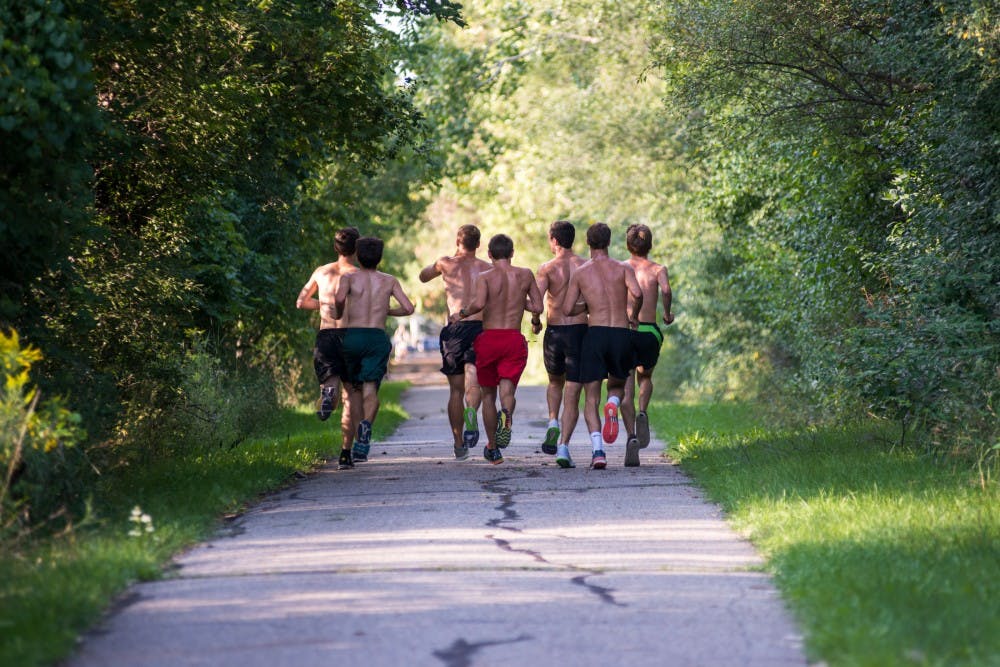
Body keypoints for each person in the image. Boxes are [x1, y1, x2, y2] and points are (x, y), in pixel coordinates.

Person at [449, 234, 543, 464]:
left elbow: (479, 304)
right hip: (513, 339)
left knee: (488, 395)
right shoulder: (525, 274)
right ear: (512, 253)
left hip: (489, 339)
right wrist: (525, 307)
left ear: (489, 254)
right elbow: (538, 306)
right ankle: (507, 417)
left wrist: (460, 314)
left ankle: (493, 447)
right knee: (507, 392)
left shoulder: (485, 276)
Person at [561, 223, 642, 469]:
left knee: (591, 399)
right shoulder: (623, 268)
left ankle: (598, 451)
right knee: (618, 387)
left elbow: (566, 309)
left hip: (594, 334)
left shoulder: (581, 272)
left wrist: (586, 307)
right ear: (608, 242)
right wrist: (634, 316)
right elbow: (637, 294)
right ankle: (614, 404)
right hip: (620, 332)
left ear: (588, 243)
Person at [334, 236, 415, 469]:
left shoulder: (348, 277)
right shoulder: (389, 281)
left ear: (358, 256)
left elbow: (339, 299)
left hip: (352, 337)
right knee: (370, 390)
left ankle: (349, 448)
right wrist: (386, 311)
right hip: (376, 338)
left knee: (351, 395)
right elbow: (409, 308)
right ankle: (366, 427)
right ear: (380, 257)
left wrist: (340, 312)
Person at [418, 225, 493, 460]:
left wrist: (441, 264)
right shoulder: (487, 269)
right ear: (478, 245)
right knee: (475, 380)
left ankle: (459, 443)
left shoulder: (445, 263)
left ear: (457, 242)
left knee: (455, 390)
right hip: (481, 328)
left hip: (455, 328)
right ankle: (472, 411)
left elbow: (422, 276)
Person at [296, 227, 363, 463]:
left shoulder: (321, 272)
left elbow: (301, 302)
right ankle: (347, 453)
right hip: (352, 336)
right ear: (357, 248)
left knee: (330, 385)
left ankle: (328, 396)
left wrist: (324, 305)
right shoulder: (359, 274)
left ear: (336, 247)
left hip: (326, 336)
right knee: (353, 395)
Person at [534, 220, 587, 466]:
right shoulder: (585, 265)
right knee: (573, 391)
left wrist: (536, 320)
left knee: (555, 382)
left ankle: (553, 420)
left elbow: (536, 301)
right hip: (580, 332)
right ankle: (564, 447)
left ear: (554, 240)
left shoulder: (546, 268)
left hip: (555, 332)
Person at [620, 224, 674, 467]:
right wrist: (667, 312)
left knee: (625, 387)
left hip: (626, 330)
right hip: (649, 330)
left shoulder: (621, 267)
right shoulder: (658, 269)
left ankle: (631, 436)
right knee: (646, 376)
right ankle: (643, 410)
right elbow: (666, 289)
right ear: (650, 245)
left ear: (628, 245)